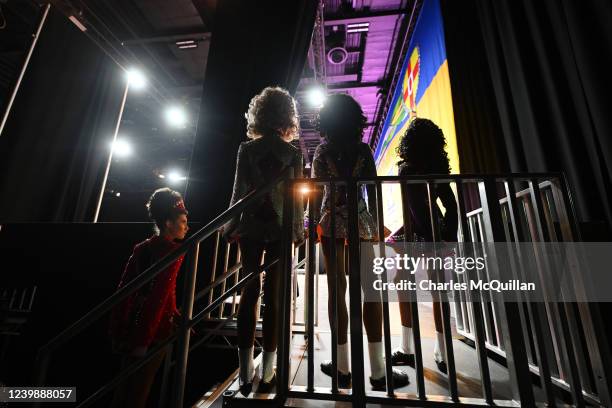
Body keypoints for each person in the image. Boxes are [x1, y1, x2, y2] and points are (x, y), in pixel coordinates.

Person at [312, 94, 409, 390]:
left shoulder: (322, 150)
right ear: (355, 119)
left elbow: (317, 193)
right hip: (362, 222)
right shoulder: (363, 150)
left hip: (330, 223)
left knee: (336, 290)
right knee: (371, 290)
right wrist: (378, 221)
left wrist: (310, 221)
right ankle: (379, 372)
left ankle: (342, 367)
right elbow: (374, 188)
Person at [224, 86, 304, 393]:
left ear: (258, 114)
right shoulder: (294, 154)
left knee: (249, 291)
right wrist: (296, 232)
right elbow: (297, 201)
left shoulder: (247, 150)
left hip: (252, 228)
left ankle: (244, 372)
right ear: (287, 117)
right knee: (274, 297)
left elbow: (238, 193)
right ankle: (268, 371)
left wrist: (230, 226)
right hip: (281, 229)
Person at [109, 188, 189, 408]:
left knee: (123, 389)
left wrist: (118, 327)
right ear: (168, 222)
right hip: (153, 332)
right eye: (182, 221)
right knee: (139, 391)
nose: (186, 226)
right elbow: (158, 296)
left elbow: (124, 291)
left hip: (131, 326)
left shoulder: (142, 247)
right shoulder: (172, 252)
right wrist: (143, 340)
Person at [390, 118, 458, 373]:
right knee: (439, 289)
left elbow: (415, 209)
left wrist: (424, 239)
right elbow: (450, 206)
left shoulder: (406, 169)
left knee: (402, 283)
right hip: (435, 231)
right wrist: (447, 236)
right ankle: (443, 353)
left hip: (416, 231)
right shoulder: (438, 167)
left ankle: (408, 349)